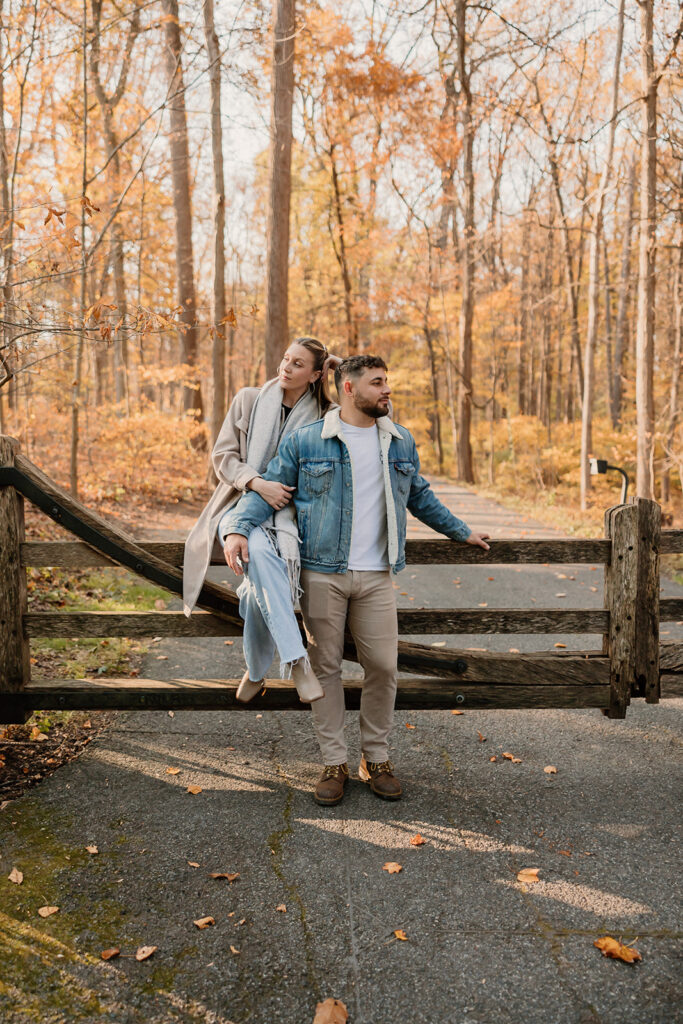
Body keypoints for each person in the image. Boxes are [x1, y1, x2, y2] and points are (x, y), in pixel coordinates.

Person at [221, 354, 490, 805]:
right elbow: (270, 489)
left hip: (378, 575)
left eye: (387, 382)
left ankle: (376, 758)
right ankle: (334, 763)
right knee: (324, 669)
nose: (387, 391)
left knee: (384, 667)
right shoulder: (308, 441)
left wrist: (462, 531)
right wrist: (236, 528)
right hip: (322, 575)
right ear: (349, 388)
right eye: (378, 383)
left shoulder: (400, 440)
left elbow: (420, 496)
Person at [182, 337, 340, 703]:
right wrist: (258, 484)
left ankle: (255, 671)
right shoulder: (249, 399)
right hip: (235, 507)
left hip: (288, 515)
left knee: (258, 586)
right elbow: (223, 457)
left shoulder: (326, 415)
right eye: (286, 358)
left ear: (318, 374)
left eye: (299, 364)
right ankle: (297, 661)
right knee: (257, 550)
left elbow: (379, 411)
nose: (286, 367)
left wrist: (342, 365)